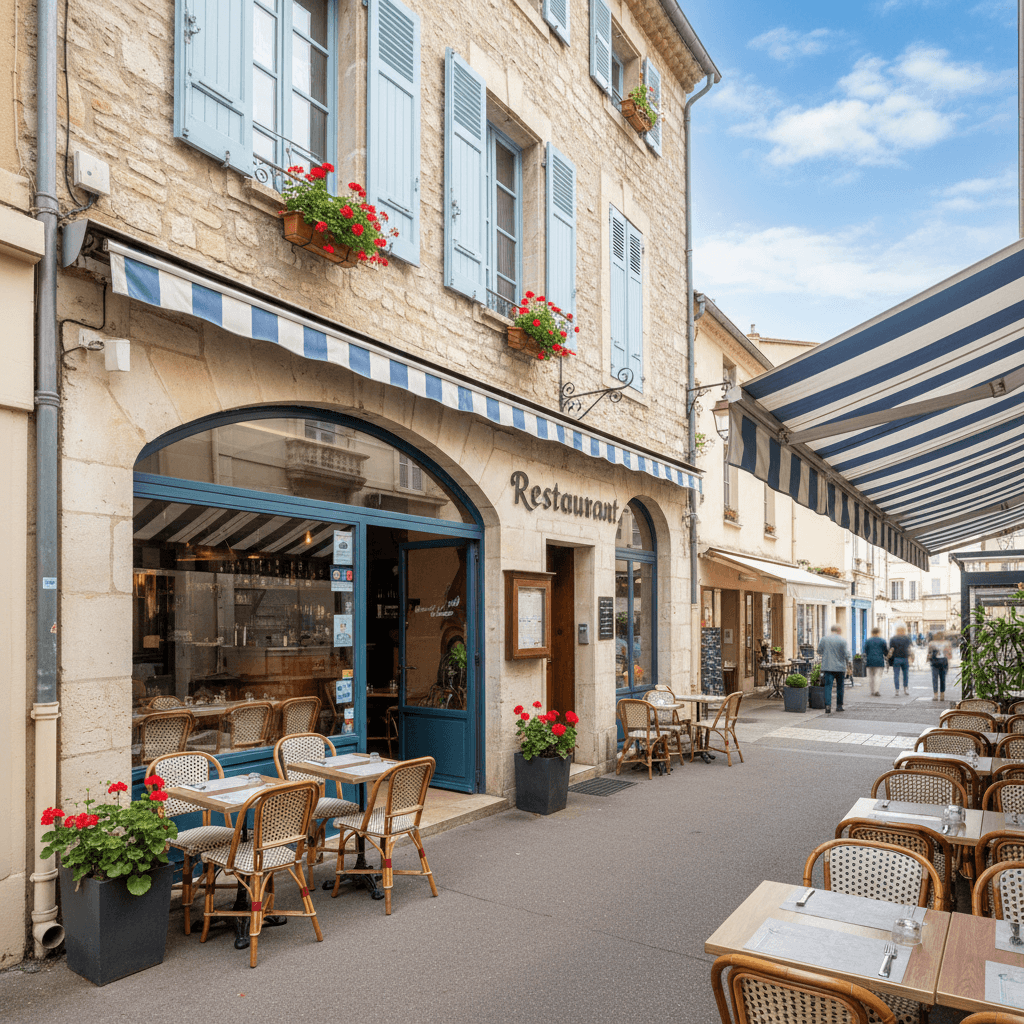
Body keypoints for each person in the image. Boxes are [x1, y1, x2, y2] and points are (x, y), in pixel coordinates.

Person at [817, 624, 852, 714]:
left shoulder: (824, 639)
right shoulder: (843, 640)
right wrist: (850, 666)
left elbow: (819, 651)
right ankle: (839, 706)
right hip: (840, 668)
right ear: (839, 630)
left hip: (828, 667)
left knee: (828, 686)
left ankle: (828, 706)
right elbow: (847, 654)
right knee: (840, 687)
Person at [927, 629, 953, 701]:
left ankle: (935, 696)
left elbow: (929, 653)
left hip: (934, 662)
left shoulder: (931, 643)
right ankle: (942, 695)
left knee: (934, 679)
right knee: (943, 679)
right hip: (944, 662)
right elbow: (950, 655)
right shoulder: (947, 643)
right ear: (943, 637)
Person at [863, 627, 888, 697]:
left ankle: (872, 691)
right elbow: (885, 651)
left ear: (872, 633)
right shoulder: (882, 641)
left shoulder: (868, 641)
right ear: (879, 632)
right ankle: (876, 690)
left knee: (871, 676)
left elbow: (865, 651)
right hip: (879, 661)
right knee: (878, 676)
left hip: (870, 660)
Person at [888, 626, 913, 696]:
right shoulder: (907, 638)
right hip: (905, 658)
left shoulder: (893, 639)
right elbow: (910, 648)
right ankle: (905, 689)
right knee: (905, 675)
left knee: (896, 675)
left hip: (896, 659)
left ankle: (897, 690)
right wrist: (910, 656)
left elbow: (890, 649)